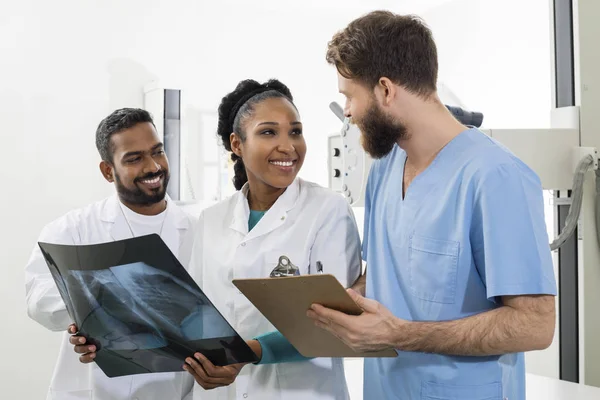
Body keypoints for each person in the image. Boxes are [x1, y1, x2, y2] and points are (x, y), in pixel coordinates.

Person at [307, 11, 557, 400]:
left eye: (349, 96)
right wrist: (342, 303)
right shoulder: (383, 170)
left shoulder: (496, 178)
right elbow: (385, 274)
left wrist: (402, 335)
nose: (349, 112)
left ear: (386, 90)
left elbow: (535, 326)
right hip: (387, 390)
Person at [184, 79, 362, 400]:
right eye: (269, 132)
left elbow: (337, 322)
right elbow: (196, 313)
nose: (288, 145)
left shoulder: (328, 210)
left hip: (304, 391)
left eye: (295, 131)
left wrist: (252, 351)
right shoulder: (211, 220)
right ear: (237, 144)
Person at [25, 108, 196, 400]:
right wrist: (97, 305)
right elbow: (38, 300)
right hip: (93, 390)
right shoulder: (73, 229)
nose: (153, 166)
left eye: (158, 152)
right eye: (134, 158)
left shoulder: (196, 228)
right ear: (108, 170)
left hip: (171, 390)